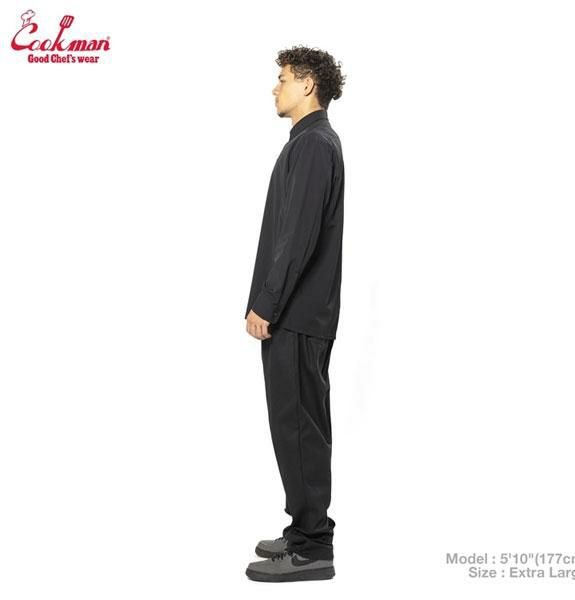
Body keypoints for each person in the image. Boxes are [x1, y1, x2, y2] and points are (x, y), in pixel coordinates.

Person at [244, 45, 346, 583]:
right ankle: (305, 528)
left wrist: (268, 302)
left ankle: (312, 548)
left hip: (298, 316)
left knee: (300, 428)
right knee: (295, 426)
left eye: (283, 78)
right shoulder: (307, 143)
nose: (275, 87)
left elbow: (298, 237)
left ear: (308, 85)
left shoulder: (313, 145)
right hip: (297, 314)